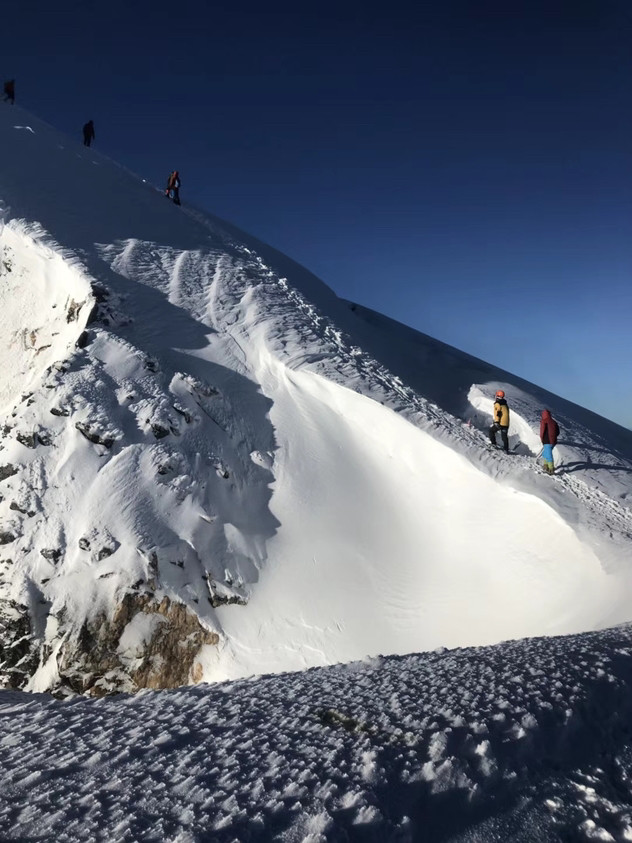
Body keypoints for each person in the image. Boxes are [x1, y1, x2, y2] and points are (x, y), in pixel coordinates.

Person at [540, 409, 560, 475]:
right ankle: (546, 466)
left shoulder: (543, 421)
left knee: (548, 455)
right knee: (545, 453)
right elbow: (558, 432)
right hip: (552, 441)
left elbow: (542, 431)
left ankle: (551, 468)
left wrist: (542, 438)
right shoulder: (554, 422)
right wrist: (553, 437)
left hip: (546, 441)